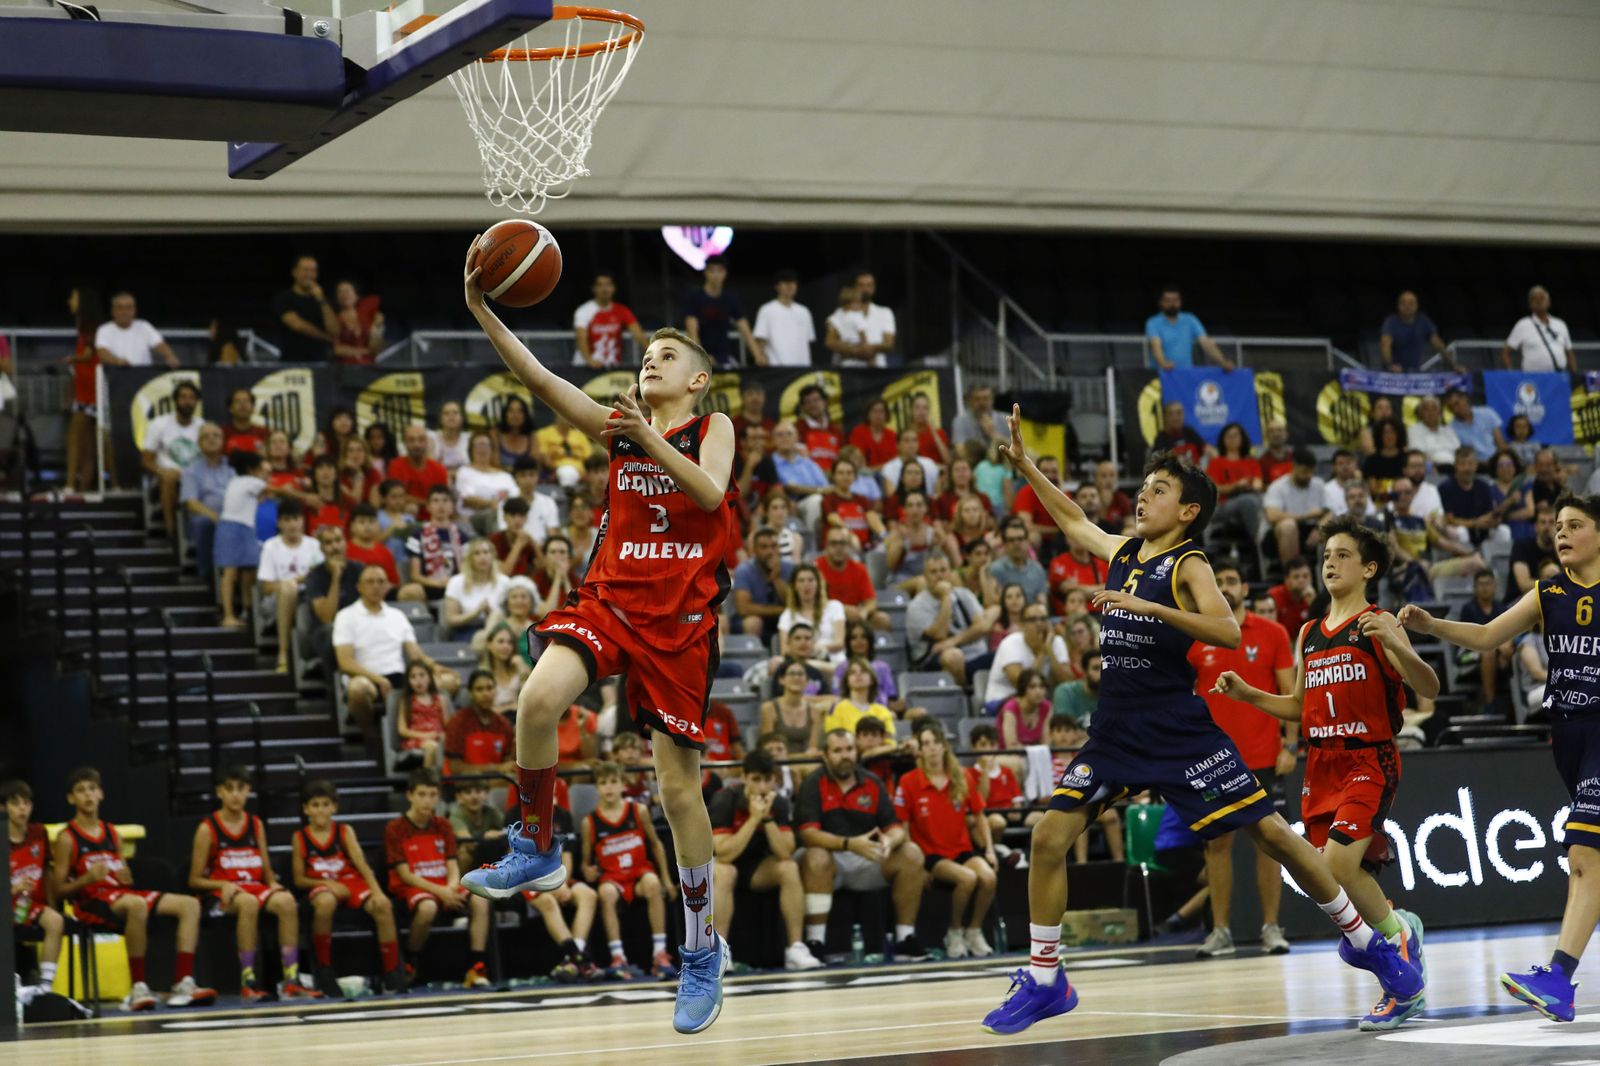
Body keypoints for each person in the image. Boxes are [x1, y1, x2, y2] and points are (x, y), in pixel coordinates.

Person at [980, 409, 1422, 1037]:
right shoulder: (1125, 551)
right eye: (1142, 488)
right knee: (1048, 837)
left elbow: (1227, 629)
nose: (1142, 497)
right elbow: (1075, 521)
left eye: (1158, 490)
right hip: (1116, 731)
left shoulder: (1189, 564)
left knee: (1272, 835)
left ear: (1188, 511)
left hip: (1178, 731)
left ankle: (1367, 941)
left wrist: (1145, 607)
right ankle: (1047, 978)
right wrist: (1027, 468)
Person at [459, 244, 738, 1034]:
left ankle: (700, 950)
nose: (652, 361)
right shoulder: (621, 427)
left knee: (678, 792)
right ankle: (536, 845)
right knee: (536, 699)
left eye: (668, 356)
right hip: (612, 600)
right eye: (647, 355)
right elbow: (539, 380)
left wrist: (648, 436)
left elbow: (710, 494)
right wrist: (482, 310)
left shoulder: (711, 426)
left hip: (679, 622)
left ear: (697, 380)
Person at [1218, 515, 1437, 1029]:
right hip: (1321, 764)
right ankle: (1398, 927)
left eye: (1342, 555)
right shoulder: (1309, 632)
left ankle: (1397, 966)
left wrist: (1399, 644)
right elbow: (1301, 706)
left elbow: (1429, 687)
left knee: (1335, 868)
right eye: (1326, 556)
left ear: (1369, 568)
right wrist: (1249, 694)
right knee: (1331, 873)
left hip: (1369, 757)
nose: (1330, 564)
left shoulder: (1379, 623)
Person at [1397, 492, 1600, 1022]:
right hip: (1569, 735)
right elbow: (1488, 636)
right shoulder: (1549, 591)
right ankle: (1559, 980)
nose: (1561, 533)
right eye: (1557, 525)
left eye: (1575, 525)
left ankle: (1559, 977)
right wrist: (1432, 626)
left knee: (1584, 853)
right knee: (1590, 858)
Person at [1186, 562, 1296, 960]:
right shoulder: (1196, 636)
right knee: (1216, 844)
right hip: (1213, 759)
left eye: (1232, 580)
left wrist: (1290, 745)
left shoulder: (1273, 632)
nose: (1226, 587)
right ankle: (1220, 932)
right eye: (1218, 582)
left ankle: (1272, 928)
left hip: (1263, 755)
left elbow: (1289, 691)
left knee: (1269, 843)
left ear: (1245, 588)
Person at [52, 767, 216, 1011]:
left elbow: (123, 875)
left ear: (101, 794)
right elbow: (57, 890)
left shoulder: (112, 833)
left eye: (92, 789)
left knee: (189, 905)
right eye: (81, 790)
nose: (88, 795)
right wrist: (86, 879)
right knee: (137, 905)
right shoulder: (67, 838)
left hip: (120, 896)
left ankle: (183, 983)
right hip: (91, 902)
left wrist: (125, 876)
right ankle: (138, 987)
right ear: (71, 798)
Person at [795, 729, 928, 961]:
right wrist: (848, 844)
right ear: (826, 755)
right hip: (828, 860)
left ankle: (905, 939)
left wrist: (889, 840)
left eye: (849, 749)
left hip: (865, 857)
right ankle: (815, 943)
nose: (845, 756)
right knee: (816, 856)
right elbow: (808, 834)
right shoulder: (813, 783)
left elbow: (895, 828)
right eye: (837, 751)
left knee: (912, 853)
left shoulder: (872, 782)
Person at [187, 766, 317, 1001]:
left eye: (241, 788)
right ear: (219, 792)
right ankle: (248, 982)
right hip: (220, 895)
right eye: (230, 789)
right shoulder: (207, 829)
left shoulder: (255, 824)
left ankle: (291, 980)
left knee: (287, 901)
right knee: (248, 903)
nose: (236, 795)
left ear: (248, 790)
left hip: (254, 887)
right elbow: (194, 880)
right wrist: (221, 885)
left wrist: (273, 883)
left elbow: (266, 870)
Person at [708, 750, 822, 970]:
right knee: (726, 871)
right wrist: (753, 819)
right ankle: (719, 952)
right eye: (756, 779)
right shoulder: (725, 799)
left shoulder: (778, 803)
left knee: (789, 868)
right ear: (744, 778)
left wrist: (767, 818)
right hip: (722, 866)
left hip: (757, 868)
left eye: (767, 780)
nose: (762, 787)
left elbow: (785, 852)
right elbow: (723, 853)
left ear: (775, 780)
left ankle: (796, 948)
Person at [292, 780, 406, 996]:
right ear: (306, 809)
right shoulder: (300, 837)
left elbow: (363, 865)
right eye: (315, 805)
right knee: (325, 902)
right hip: (321, 885)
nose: (320, 810)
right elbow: (299, 880)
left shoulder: (344, 831)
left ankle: (393, 974)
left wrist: (377, 892)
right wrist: (327, 884)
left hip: (350, 882)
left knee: (383, 907)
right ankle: (324, 970)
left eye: (325, 804)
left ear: (334, 807)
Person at [896, 721, 996, 960]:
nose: (931, 748)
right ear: (920, 750)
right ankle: (954, 931)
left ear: (944, 746)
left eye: (935, 742)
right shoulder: (909, 781)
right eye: (925, 744)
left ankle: (973, 930)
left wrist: (990, 850)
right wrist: (916, 864)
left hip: (961, 849)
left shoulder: (961, 776)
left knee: (988, 877)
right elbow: (903, 826)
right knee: (967, 878)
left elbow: (980, 816)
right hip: (930, 854)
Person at [384, 769, 493, 988]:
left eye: (432, 795)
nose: (427, 800)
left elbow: (452, 864)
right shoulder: (395, 828)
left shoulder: (443, 825)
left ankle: (477, 966)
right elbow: (405, 875)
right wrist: (441, 892)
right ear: (410, 795)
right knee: (428, 908)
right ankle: (410, 959)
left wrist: (452, 887)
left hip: (444, 884)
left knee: (481, 898)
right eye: (422, 794)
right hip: (412, 886)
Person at [334, 566, 454, 747]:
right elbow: (345, 662)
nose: (376, 586)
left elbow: (415, 653)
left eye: (381, 582)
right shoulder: (346, 616)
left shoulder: (397, 616)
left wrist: (435, 667)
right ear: (359, 587)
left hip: (400, 677)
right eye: (370, 582)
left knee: (449, 681)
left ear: (387, 586)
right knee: (358, 689)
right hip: (366, 677)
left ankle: (435, 733)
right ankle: (370, 735)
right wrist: (379, 680)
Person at [581, 762, 678, 979]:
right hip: (613, 877)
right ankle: (618, 957)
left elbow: (656, 844)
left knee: (653, 883)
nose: (609, 787)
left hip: (639, 872)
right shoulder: (590, 822)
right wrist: (587, 871)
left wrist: (666, 879)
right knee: (605, 892)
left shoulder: (638, 811)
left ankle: (660, 953)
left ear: (623, 785)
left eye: (613, 781)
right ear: (596, 788)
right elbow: (586, 863)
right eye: (603, 783)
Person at [5, 779, 64, 1006]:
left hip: (31, 905)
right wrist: (14, 888)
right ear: (3, 808)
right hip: (6, 905)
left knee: (56, 920)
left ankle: (44, 989)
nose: (22, 809)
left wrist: (53, 904)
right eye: (15, 803)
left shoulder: (39, 833)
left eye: (26, 803)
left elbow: (47, 872)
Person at [907, 549, 999, 687]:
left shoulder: (964, 594)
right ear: (925, 576)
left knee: (1007, 652)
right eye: (933, 572)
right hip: (934, 661)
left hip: (974, 656)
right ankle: (963, 696)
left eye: (943, 570)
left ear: (950, 572)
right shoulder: (917, 606)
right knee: (953, 656)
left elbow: (982, 627)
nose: (939, 576)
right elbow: (940, 634)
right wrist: (946, 598)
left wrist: (954, 641)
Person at [257, 500, 322, 672]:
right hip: (276, 599)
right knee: (288, 589)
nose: (292, 524)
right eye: (287, 520)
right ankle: (283, 652)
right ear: (279, 523)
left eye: (296, 519)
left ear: (303, 520)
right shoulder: (271, 546)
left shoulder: (314, 545)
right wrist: (297, 581)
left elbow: (321, 578)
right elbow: (267, 587)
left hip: (308, 597)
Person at [143, 380, 203, 536]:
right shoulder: (159, 424)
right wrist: (161, 471)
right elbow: (146, 460)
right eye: (183, 397)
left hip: (195, 477)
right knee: (169, 478)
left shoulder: (202, 426)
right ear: (175, 401)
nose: (187, 402)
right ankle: (173, 534)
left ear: (196, 402)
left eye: (191, 398)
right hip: (165, 477)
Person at [985, 604, 1071, 711]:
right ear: (1022, 625)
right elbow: (1022, 686)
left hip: (1040, 702)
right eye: (1032, 620)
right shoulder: (1010, 643)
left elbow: (1066, 682)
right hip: (1002, 701)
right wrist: (1042, 652)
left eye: (1043, 619)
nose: (1039, 623)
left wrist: (1049, 650)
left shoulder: (1056, 642)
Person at [62, 285, 104, 492]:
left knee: (75, 439)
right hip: (86, 389)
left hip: (90, 392)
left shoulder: (89, 326)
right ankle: (83, 487)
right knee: (88, 444)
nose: (69, 301)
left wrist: (72, 359)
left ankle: (70, 484)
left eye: (73, 297)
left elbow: (88, 354)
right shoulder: (86, 326)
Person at [683, 255, 757, 368]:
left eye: (719, 271)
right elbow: (692, 331)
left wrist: (757, 355)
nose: (716, 275)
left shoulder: (730, 299)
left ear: (725, 273)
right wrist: (703, 358)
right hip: (698, 359)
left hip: (724, 358)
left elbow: (745, 329)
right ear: (705, 273)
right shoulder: (695, 298)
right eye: (712, 270)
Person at [445, 670, 518, 777]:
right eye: (479, 689)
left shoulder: (504, 724)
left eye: (489, 688)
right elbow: (455, 768)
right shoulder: (458, 722)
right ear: (470, 693)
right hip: (466, 782)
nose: (486, 694)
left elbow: (507, 764)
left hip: (498, 781)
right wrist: (496, 768)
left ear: (495, 691)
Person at [1264, 446, 1330, 565]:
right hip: (1278, 534)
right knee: (1289, 526)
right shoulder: (1277, 487)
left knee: (1331, 528)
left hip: (1311, 529)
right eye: (1305, 471)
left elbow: (1329, 512)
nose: (1309, 475)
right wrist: (1306, 516)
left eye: (1311, 471)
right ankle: (1292, 571)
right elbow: (1272, 516)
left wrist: (1320, 528)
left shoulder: (1319, 484)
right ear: (1294, 466)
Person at [179, 423, 230, 576]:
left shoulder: (232, 467)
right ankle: (208, 575)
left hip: (231, 515)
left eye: (216, 436)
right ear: (199, 444)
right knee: (203, 523)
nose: (211, 439)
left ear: (223, 441)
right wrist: (215, 517)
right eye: (206, 437)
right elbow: (192, 503)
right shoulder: (191, 470)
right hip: (206, 517)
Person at [1205, 422, 1265, 551]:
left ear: (1242, 438)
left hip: (1250, 498)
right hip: (1223, 505)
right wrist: (1235, 486)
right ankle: (1259, 542)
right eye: (1229, 436)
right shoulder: (1216, 463)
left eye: (1236, 435)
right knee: (1249, 501)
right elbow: (1213, 490)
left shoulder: (1251, 462)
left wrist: (1250, 487)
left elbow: (1258, 484)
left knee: (1260, 499)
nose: (1232, 439)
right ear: (1223, 439)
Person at [1145, 287, 1232, 371]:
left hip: (1186, 373)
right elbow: (1156, 346)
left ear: (1180, 301)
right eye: (1168, 300)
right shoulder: (1153, 322)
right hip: (1160, 373)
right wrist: (1163, 363)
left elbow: (1206, 343)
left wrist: (1222, 361)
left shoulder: (1190, 319)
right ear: (1161, 302)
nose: (1172, 304)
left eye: (1175, 300)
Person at [574, 270, 648, 368]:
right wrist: (590, 360)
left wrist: (652, 354)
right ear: (593, 288)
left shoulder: (622, 311)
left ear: (614, 288)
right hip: (585, 367)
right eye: (600, 285)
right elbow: (581, 338)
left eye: (608, 284)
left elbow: (639, 335)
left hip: (611, 367)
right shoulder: (583, 311)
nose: (604, 289)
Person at [407, 485, 469, 600]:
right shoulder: (417, 536)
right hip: (428, 586)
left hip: (456, 587)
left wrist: (452, 583)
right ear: (428, 507)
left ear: (452, 506)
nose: (441, 505)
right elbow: (415, 575)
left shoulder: (462, 536)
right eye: (435, 501)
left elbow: (466, 570)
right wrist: (438, 583)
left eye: (445, 500)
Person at [444, 537, 512, 638]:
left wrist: (490, 613)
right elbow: (451, 619)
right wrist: (475, 613)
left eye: (486, 552)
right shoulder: (456, 582)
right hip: (467, 630)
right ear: (469, 558)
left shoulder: (505, 581)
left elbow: (512, 615)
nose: (482, 557)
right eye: (477, 553)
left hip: (500, 631)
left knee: (496, 616)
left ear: (492, 556)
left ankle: (486, 639)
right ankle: (487, 639)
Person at [274, 255, 338, 363]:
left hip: (321, 361)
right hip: (292, 362)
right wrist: (326, 337)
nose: (309, 274)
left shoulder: (323, 300)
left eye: (313, 270)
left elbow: (334, 330)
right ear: (295, 272)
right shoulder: (284, 298)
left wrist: (321, 299)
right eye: (305, 270)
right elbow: (297, 325)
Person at [732, 528, 794, 639]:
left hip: (781, 618)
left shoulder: (790, 568)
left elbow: (793, 602)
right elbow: (743, 608)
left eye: (774, 546)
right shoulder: (744, 570)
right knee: (753, 622)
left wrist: (776, 579)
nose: (770, 551)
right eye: (764, 547)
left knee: (795, 618)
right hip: (752, 619)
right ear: (754, 550)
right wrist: (781, 610)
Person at [1502, 285, 1577, 373]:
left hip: (1558, 376)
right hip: (1533, 378)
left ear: (1549, 302)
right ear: (1530, 304)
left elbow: (1569, 353)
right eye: (1534, 299)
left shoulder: (1560, 324)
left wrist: (1574, 375)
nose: (1538, 301)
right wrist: (1512, 375)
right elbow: (1506, 353)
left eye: (1542, 298)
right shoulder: (1522, 325)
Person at [94, 291, 179, 368]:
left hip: (143, 376)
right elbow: (102, 352)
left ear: (134, 310)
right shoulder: (104, 329)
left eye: (129, 308)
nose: (124, 312)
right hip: (115, 375)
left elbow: (159, 344)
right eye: (120, 308)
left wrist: (169, 356)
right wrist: (117, 361)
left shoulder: (144, 326)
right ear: (113, 311)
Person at [777, 563, 846, 658]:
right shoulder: (787, 615)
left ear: (818, 584)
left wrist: (820, 648)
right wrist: (808, 651)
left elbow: (840, 643)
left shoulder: (834, 607)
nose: (806, 585)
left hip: (833, 660)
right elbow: (785, 650)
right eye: (801, 581)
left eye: (811, 580)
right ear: (795, 586)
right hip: (802, 662)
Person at [752, 268, 814, 367]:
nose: (790, 286)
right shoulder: (766, 310)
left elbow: (807, 342)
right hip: (777, 369)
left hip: (803, 368)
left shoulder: (804, 311)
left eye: (793, 282)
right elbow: (760, 339)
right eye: (785, 282)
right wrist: (761, 356)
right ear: (777, 286)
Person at [1379, 291, 1450, 373]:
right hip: (1393, 373)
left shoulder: (1423, 321)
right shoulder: (1390, 321)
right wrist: (1390, 365)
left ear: (1417, 305)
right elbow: (1385, 343)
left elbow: (1437, 342)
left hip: (1414, 372)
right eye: (1403, 303)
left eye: (1411, 303)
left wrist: (1453, 365)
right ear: (1398, 305)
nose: (1407, 306)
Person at [396, 660, 449, 769]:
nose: (418, 680)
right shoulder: (406, 701)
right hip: (418, 739)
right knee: (432, 746)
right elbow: (402, 730)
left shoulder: (440, 699)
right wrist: (426, 736)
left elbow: (447, 725)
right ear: (408, 681)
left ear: (429, 677)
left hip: (437, 737)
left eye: (422, 675)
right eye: (413, 677)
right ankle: (428, 778)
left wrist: (444, 734)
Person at [824, 657, 897, 735]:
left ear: (872, 680)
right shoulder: (836, 709)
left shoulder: (882, 711)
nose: (858, 674)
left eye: (863, 671)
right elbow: (834, 739)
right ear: (847, 681)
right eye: (852, 672)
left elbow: (889, 740)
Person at [989, 518, 1049, 605]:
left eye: (1020, 539)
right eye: (1011, 540)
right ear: (1005, 544)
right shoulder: (996, 569)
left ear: (1027, 542)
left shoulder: (1037, 569)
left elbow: (1042, 600)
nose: (1016, 543)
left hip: (1033, 612)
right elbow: (995, 601)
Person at [1443, 387, 1504, 462]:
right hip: (1474, 465)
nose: (1455, 409)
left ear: (1465, 398)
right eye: (1451, 408)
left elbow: (1500, 443)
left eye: (1457, 403)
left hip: (1497, 461)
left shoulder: (1487, 413)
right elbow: (1461, 456)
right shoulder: (1451, 429)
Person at [535, 414, 594, 489]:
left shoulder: (580, 435)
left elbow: (589, 458)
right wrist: (553, 470)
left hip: (580, 471)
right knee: (567, 472)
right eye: (562, 415)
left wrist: (586, 474)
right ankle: (568, 493)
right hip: (556, 469)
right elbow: (545, 458)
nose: (564, 419)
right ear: (556, 415)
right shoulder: (543, 434)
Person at [853, 270, 897, 366]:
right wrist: (860, 352)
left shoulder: (885, 312)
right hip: (848, 368)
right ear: (855, 287)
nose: (865, 289)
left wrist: (866, 350)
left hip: (876, 369)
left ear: (874, 288)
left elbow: (889, 343)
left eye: (869, 285)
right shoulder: (841, 313)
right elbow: (832, 342)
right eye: (861, 285)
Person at [824, 284, 872, 367]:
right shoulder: (856, 316)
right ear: (849, 302)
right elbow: (863, 336)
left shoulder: (834, 317)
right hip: (853, 360)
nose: (860, 305)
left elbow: (828, 323)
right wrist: (859, 350)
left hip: (845, 360)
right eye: (858, 302)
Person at [1407, 396, 1460, 471]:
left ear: (1440, 413)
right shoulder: (1413, 430)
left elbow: (1458, 451)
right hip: (1431, 469)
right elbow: (1417, 454)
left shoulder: (1448, 430)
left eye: (1434, 409)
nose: (1431, 412)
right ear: (1420, 414)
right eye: (1426, 409)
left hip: (1454, 468)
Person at [1151, 401, 1209, 467]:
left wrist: (1211, 452)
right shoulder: (1161, 440)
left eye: (1179, 413)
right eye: (1170, 414)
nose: (1175, 418)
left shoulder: (1190, 433)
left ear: (1184, 415)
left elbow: (1206, 449)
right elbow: (1157, 466)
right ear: (1165, 417)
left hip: (1195, 471)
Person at [848, 398, 898, 470]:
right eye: (874, 411)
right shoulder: (858, 432)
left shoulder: (892, 435)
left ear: (887, 415)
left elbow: (894, 462)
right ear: (868, 414)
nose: (878, 415)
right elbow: (855, 461)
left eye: (881, 411)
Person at [952, 384, 1003, 449]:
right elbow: (960, 450)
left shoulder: (1005, 419)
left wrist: (993, 433)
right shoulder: (960, 421)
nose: (982, 403)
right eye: (977, 399)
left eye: (985, 398)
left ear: (992, 400)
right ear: (970, 401)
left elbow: (1013, 449)